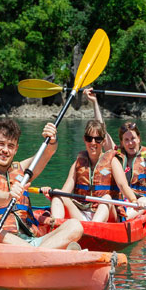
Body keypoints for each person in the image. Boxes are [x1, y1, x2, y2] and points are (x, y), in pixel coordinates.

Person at [0, 118, 83, 248]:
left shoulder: (22, 171)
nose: (5, 150)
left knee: (75, 226)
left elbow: (47, 153)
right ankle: (42, 253)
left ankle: (37, 253)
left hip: (30, 241)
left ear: (16, 149)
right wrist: (8, 197)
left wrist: (52, 140)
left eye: (10, 146)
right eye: (1, 144)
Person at [41, 88, 119, 223]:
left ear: (103, 141)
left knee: (106, 199)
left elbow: (123, 187)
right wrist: (52, 194)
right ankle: (57, 229)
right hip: (81, 213)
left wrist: (135, 200)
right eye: (89, 139)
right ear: (84, 139)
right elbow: (65, 191)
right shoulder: (79, 162)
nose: (93, 142)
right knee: (59, 193)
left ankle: (94, 229)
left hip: (105, 215)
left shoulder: (112, 159)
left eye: (97, 139)